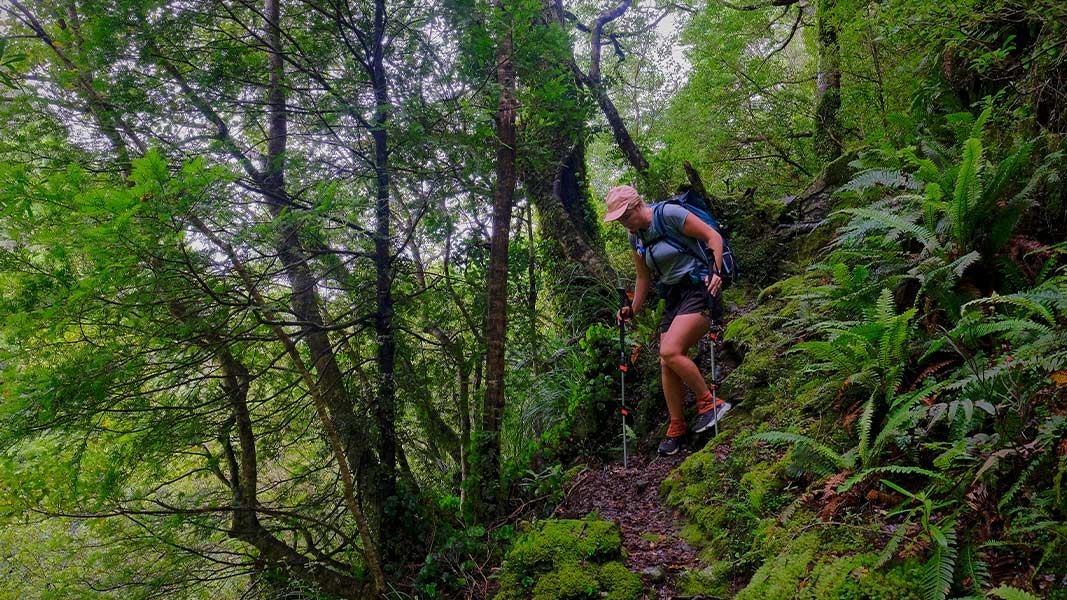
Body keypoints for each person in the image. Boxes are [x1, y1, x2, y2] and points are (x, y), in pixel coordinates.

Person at [604, 185, 731, 456]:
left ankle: (710, 403)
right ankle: (677, 425)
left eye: (625, 216)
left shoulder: (670, 214)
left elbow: (713, 237)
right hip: (673, 298)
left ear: (637, 205)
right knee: (666, 362)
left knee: (670, 350)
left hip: (699, 286)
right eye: (620, 220)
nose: (624, 223)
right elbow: (643, 278)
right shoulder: (635, 238)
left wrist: (716, 271)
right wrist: (632, 310)